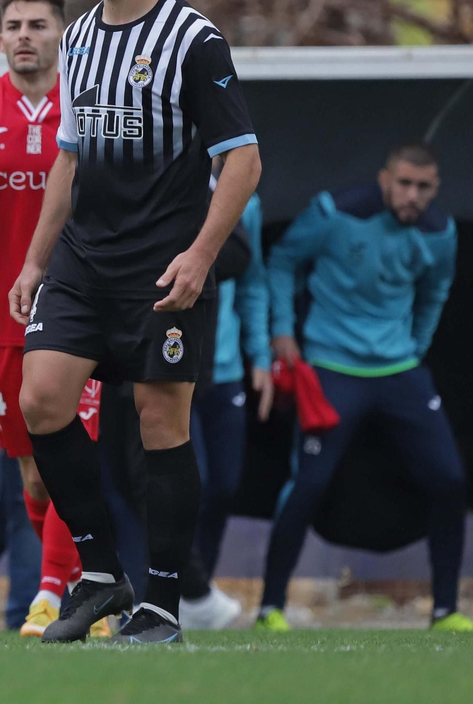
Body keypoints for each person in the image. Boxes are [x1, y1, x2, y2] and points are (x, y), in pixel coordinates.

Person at [9, 0, 261, 644]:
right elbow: (69, 158)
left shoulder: (194, 39)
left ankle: (160, 604)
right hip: (85, 259)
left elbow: (243, 160)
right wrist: (32, 263)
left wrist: (200, 254)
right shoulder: (79, 36)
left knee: (161, 424)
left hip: (161, 264)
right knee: (41, 402)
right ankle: (97, 572)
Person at [257, 143, 473, 632]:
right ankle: (270, 607)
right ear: (385, 180)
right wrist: (283, 331)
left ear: (436, 188)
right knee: (308, 484)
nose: (413, 195)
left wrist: (415, 348)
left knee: (450, 480)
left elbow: (436, 292)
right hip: (331, 364)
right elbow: (283, 260)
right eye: (404, 183)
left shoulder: (440, 233)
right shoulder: (336, 213)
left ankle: (445, 611)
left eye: (423, 187)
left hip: (399, 369)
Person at [0, 0, 111, 639]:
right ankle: (78, 586)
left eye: (38, 24)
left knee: (70, 455)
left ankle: (60, 594)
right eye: (13, 24)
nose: (24, 34)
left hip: (79, 312)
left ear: (61, 36)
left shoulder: (90, 108)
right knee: (36, 476)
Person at [177, 187, 269, 630]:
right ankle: (175, 589)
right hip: (175, 359)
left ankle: (198, 594)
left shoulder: (243, 200)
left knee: (224, 486)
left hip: (226, 366)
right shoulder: (164, 189)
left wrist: (261, 356)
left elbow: (252, 279)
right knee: (188, 480)